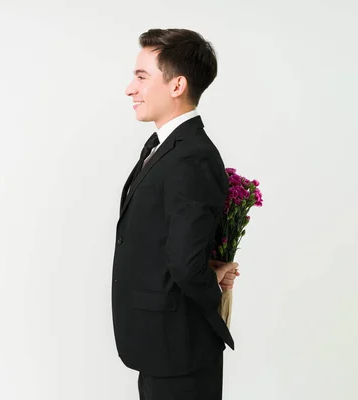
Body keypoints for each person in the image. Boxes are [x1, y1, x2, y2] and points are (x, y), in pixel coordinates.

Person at [111, 28, 240, 400]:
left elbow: (185, 262)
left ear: (177, 84)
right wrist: (212, 271)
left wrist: (212, 286)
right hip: (159, 344)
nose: (129, 89)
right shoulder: (166, 146)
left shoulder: (192, 156)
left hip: (179, 346)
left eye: (141, 77)